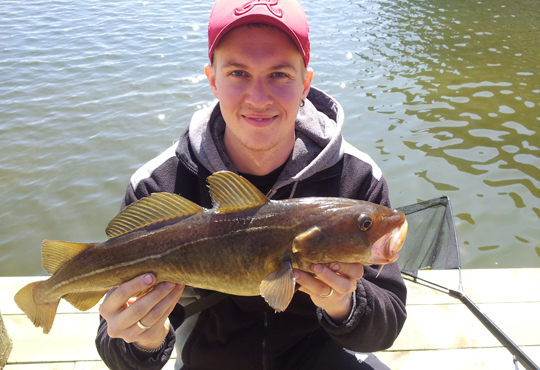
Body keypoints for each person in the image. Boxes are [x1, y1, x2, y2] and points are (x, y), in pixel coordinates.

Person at [96, 0, 407, 369]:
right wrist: (144, 339)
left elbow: (386, 327)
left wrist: (344, 305)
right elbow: (114, 345)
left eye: (279, 74)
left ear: (305, 82)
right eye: (239, 73)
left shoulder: (357, 177)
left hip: (325, 356)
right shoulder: (158, 185)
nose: (258, 98)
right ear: (212, 79)